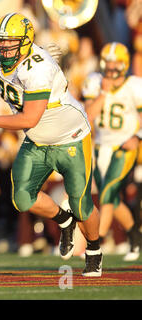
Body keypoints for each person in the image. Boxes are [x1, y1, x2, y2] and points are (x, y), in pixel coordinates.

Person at [0, 13, 102, 276]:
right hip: (37, 139)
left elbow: (30, 117)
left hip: (71, 137)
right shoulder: (7, 60)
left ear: (24, 43)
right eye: (0, 42)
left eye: (10, 42)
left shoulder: (38, 68)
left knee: (81, 204)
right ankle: (64, 221)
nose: (3, 48)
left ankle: (93, 249)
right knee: (22, 199)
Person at [81, 42, 142, 261]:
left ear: (124, 64)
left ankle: (96, 244)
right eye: (108, 62)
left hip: (125, 144)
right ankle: (136, 236)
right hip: (101, 147)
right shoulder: (95, 81)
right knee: (113, 200)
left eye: (116, 62)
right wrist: (104, 93)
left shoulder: (135, 84)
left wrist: (138, 136)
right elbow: (88, 116)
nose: (112, 66)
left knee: (107, 193)